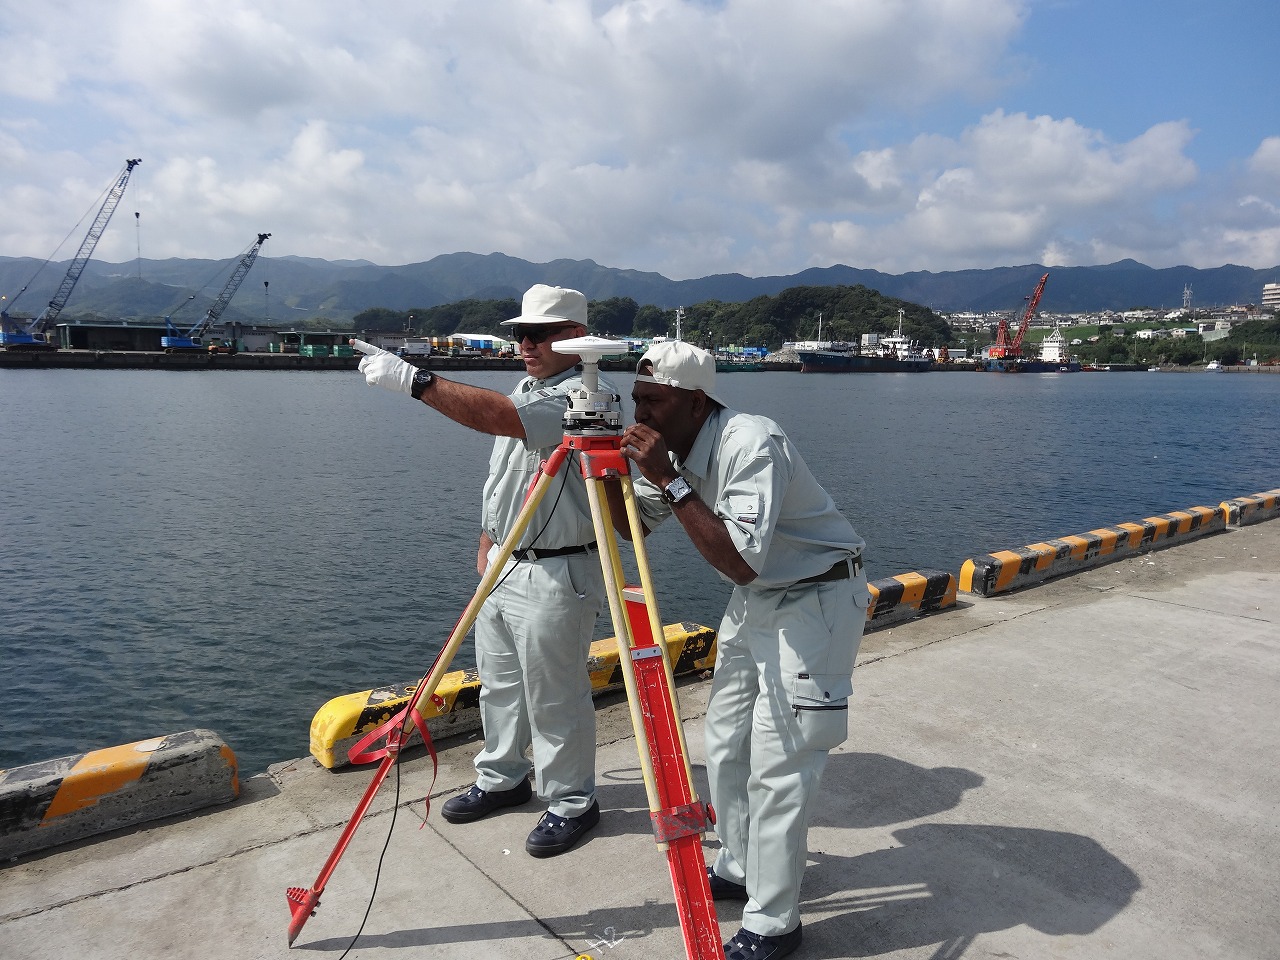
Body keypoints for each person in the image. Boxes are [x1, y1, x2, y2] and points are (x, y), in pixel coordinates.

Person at [611, 340, 869, 960]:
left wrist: (668, 481)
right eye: (636, 401)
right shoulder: (671, 444)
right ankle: (738, 863)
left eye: (655, 401)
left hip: (815, 600)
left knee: (781, 765)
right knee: (725, 745)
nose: (641, 415)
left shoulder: (750, 441)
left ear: (696, 402)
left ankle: (776, 920)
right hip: (756, 604)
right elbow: (630, 527)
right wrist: (604, 471)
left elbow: (739, 560)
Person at [351, 284, 610, 858]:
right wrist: (488, 540)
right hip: (505, 562)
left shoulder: (585, 396)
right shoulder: (531, 386)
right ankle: (503, 777)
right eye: (519, 333)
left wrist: (415, 382)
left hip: (556, 570)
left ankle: (571, 800)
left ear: (574, 338)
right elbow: (506, 475)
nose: (524, 344)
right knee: (500, 683)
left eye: (537, 334)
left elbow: (498, 417)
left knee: (555, 694)